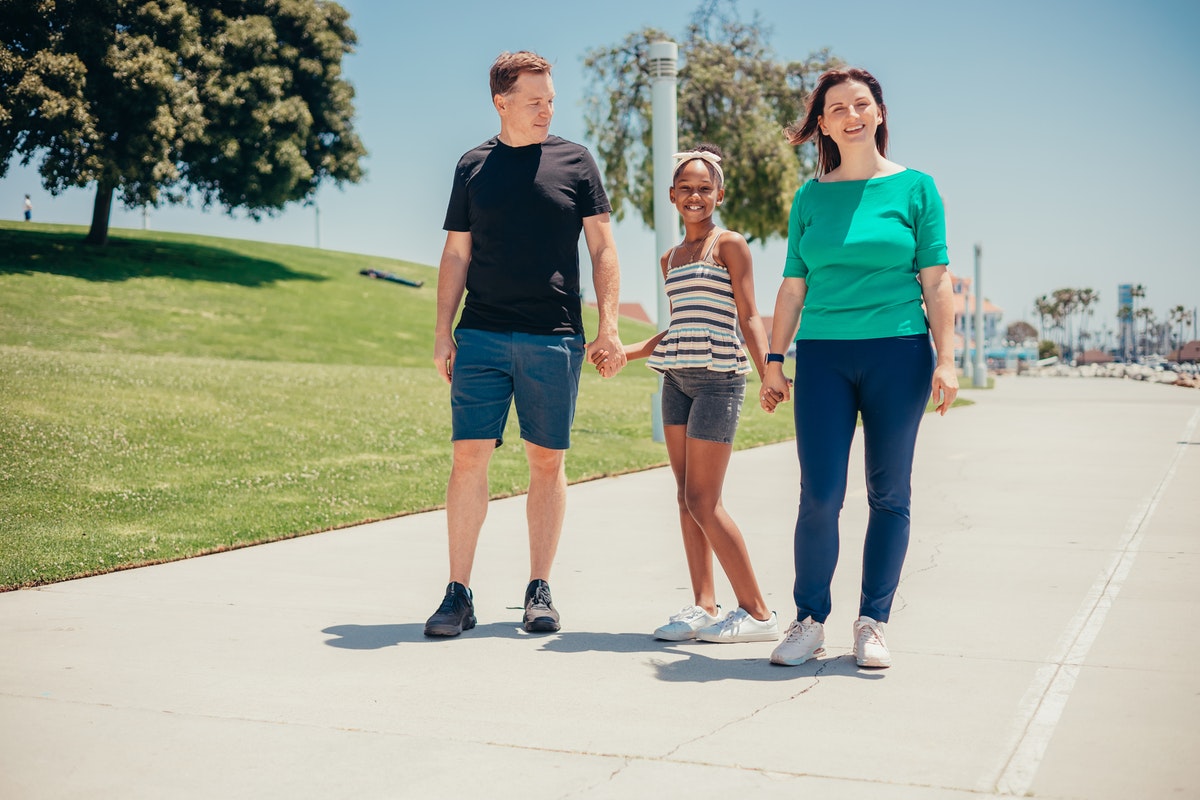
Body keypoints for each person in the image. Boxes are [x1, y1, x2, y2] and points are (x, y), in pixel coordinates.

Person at [424, 51, 626, 638]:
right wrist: (442, 331)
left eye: (551, 100)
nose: (546, 109)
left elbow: (604, 249)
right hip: (481, 333)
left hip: (555, 336)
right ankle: (458, 593)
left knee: (547, 461)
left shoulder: (576, 161)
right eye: (535, 99)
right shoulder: (472, 166)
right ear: (502, 101)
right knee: (468, 459)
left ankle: (539, 588)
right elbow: (456, 252)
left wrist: (609, 325)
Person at [760, 68, 958, 668]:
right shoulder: (809, 197)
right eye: (837, 107)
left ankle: (872, 621)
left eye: (861, 104)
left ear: (878, 113)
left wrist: (946, 359)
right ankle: (810, 619)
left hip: (898, 351)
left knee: (889, 493)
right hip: (822, 355)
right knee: (819, 495)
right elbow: (793, 287)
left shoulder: (916, 189)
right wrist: (774, 359)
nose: (851, 114)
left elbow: (936, 281)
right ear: (822, 123)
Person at [600, 144, 779, 644]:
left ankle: (758, 613)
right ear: (672, 195)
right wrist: (624, 353)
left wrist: (769, 372)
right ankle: (704, 605)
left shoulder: (731, 245)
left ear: (718, 194)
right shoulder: (671, 257)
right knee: (684, 498)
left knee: (705, 499)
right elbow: (678, 328)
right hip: (675, 381)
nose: (695, 195)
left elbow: (747, 315)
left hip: (720, 382)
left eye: (704, 188)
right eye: (686, 188)